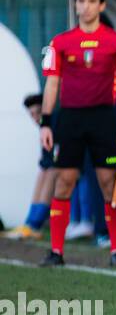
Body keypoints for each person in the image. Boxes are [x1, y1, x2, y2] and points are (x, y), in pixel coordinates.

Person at [37, 0, 116, 267]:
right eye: (81, 1)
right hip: (70, 118)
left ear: (101, 5)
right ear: (75, 4)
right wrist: (46, 122)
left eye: (92, 1)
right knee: (63, 182)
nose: (85, 6)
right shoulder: (60, 42)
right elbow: (52, 83)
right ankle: (57, 251)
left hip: (105, 118)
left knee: (108, 183)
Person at [4, 93, 57, 239]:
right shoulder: (43, 129)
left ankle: (35, 224)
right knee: (43, 172)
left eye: (38, 113)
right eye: (31, 114)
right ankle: (29, 223)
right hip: (54, 165)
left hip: (71, 167)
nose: (35, 118)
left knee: (51, 172)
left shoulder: (54, 123)